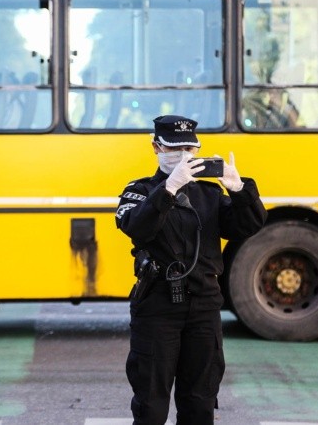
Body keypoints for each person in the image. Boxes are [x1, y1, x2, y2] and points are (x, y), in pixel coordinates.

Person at [115, 115, 267, 425]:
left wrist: (239, 189)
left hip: (203, 306)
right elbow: (136, 227)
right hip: (157, 306)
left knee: (200, 403)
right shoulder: (140, 191)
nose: (184, 155)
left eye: (190, 148)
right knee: (150, 406)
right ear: (156, 147)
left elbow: (248, 226)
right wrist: (168, 189)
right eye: (175, 148)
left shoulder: (209, 194)